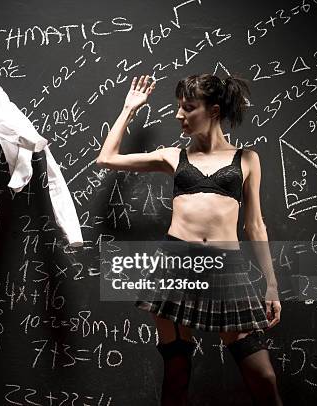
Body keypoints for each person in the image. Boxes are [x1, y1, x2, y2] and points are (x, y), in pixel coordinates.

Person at [96, 73, 283, 405]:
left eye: (188, 108)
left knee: (263, 377)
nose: (179, 115)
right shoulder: (173, 156)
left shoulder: (247, 159)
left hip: (226, 269)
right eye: (178, 107)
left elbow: (255, 226)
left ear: (213, 110)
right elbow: (107, 158)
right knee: (177, 373)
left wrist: (271, 286)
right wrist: (129, 108)